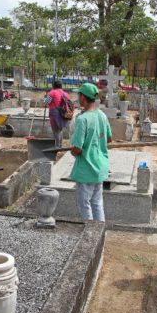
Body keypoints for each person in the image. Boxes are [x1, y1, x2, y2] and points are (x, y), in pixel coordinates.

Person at [69, 83, 112, 222]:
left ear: (83, 97)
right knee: (97, 203)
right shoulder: (102, 116)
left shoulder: (83, 119)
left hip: (86, 169)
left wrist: (73, 151)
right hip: (99, 167)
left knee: (84, 205)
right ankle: (100, 236)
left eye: (79, 95)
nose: (78, 98)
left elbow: (77, 149)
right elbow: (109, 138)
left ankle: (90, 238)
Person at [45, 80, 70, 148]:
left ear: (54, 86)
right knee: (60, 130)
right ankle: (60, 145)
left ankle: (57, 146)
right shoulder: (65, 94)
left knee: (55, 130)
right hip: (64, 114)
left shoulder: (52, 92)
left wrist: (45, 97)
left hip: (54, 114)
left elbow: (46, 102)